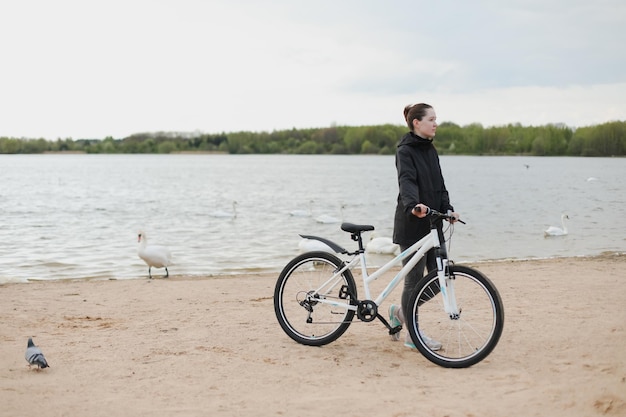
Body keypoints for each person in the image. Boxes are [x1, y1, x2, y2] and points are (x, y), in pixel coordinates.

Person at [388, 102, 460, 350]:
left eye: (436, 119)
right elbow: (406, 181)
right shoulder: (404, 151)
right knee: (413, 281)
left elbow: (440, 184)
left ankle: (401, 311)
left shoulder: (431, 151)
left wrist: (448, 208)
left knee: (441, 277)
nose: (435, 123)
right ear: (417, 123)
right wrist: (413, 206)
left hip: (433, 222)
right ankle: (412, 334)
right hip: (412, 223)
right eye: (431, 119)